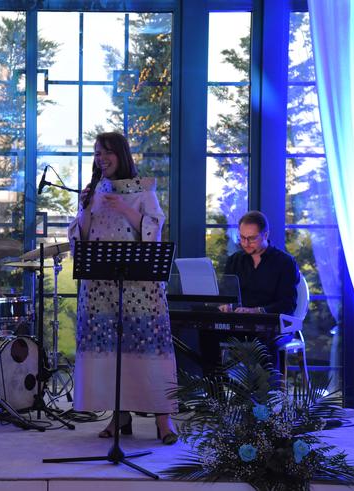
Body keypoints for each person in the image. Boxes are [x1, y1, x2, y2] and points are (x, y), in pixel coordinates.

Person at [68, 132, 178, 444]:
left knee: (149, 348)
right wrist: (85, 207)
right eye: (97, 153)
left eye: (107, 152)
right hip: (100, 285)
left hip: (140, 285)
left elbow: (153, 231)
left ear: (121, 154)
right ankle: (119, 414)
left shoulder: (144, 189)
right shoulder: (93, 191)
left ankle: (164, 420)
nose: (101, 158)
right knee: (111, 351)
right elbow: (82, 239)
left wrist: (125, 209)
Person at [201, 210, 300, 369]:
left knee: (263, 342)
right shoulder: (235, 260)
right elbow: (226, 294)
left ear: (265, 235)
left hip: (272, 327)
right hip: (241, 325)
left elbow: (287, 304)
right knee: (207, 333)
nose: (246, 243)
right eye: (242, 238)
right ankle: (216, 384)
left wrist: (258, 311)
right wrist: (225, 305)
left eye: (252, 238)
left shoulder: (285, 262)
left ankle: (265, 386)